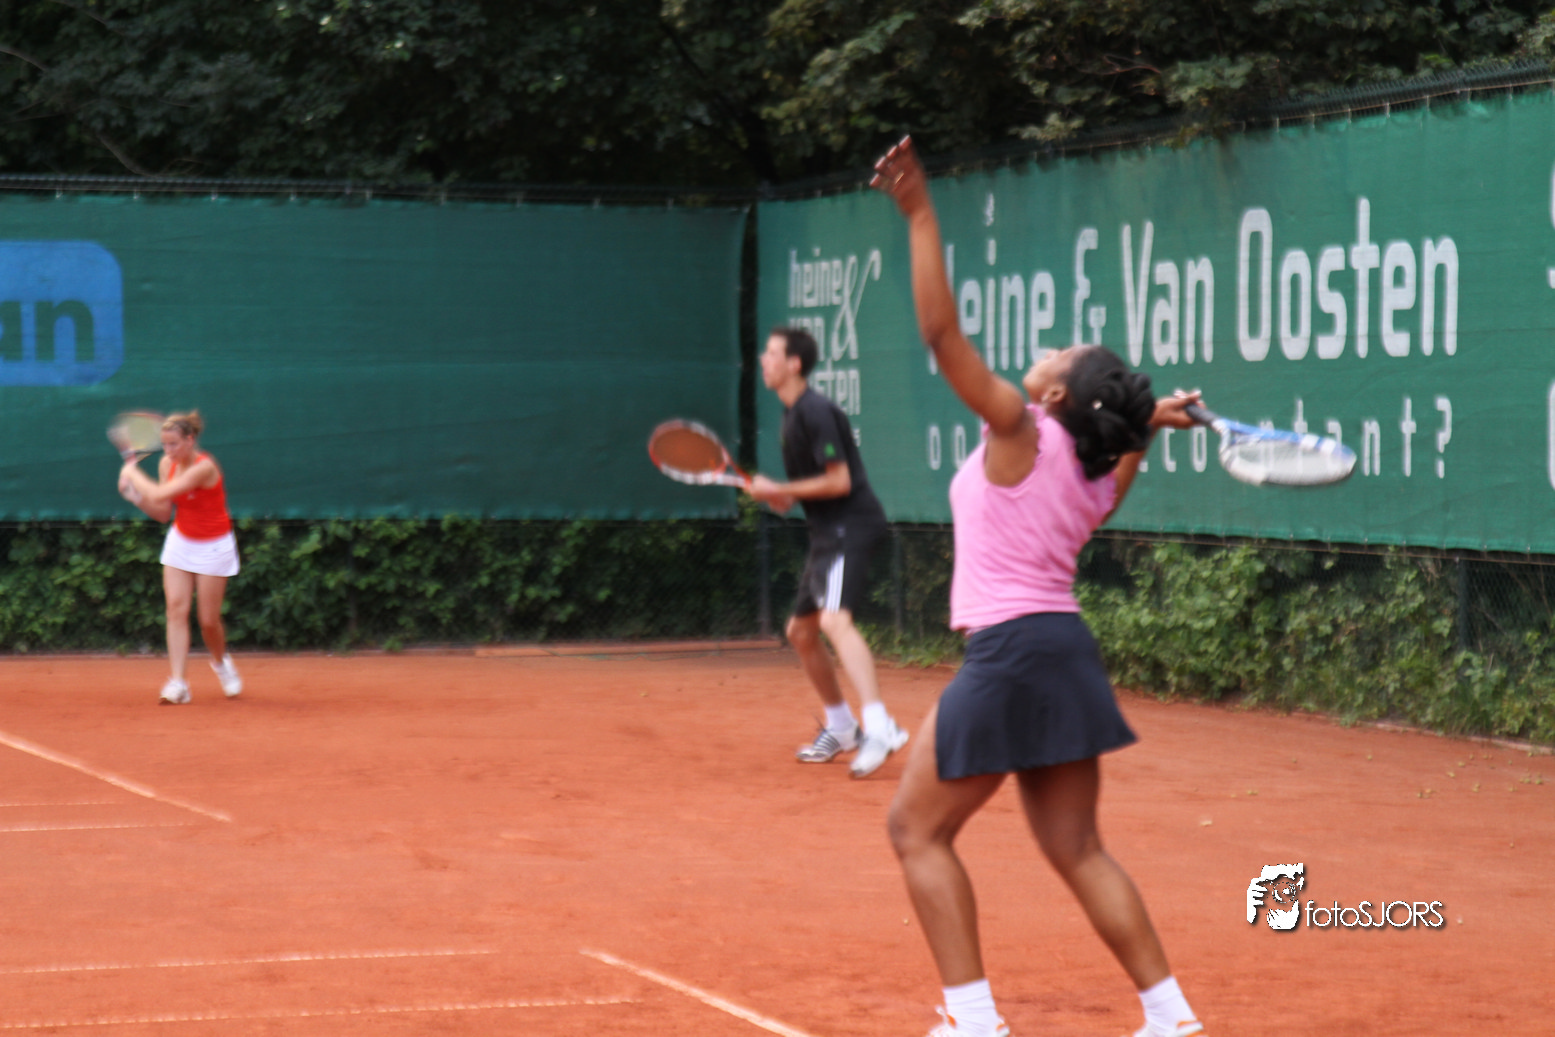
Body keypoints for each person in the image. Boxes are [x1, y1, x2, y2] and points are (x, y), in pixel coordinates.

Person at [871, 136, 1207, 1037]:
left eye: (1061, 352)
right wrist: (1148, 421)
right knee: (1077, 846)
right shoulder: (1100, 474)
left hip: (1012, 649)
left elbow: (941, 338)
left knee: (915, 829)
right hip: (1063, 652)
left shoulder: (1018, 429)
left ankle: (973, 1020)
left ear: (1056, 397)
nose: (1048, 348)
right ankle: (1169, 1016)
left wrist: (919, 214)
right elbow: (1122, 442)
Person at [746, 327, 910, 779]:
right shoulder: (791, 416)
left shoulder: (816, 411)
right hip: (826, 533)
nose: (763, 359)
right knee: (801, 632)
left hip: (849, 527)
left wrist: (782, 487)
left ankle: (881, 727)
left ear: (794, 363)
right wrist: (781, 496)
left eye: (772, 353)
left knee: (835, 621)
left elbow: (839, 481)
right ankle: (841, 727)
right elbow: (807, 490)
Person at [118, 411, 243, 705]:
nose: (168, 450)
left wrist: (131, 471)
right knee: (175, 609)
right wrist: (136, 497)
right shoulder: (166, 464)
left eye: (174, 444)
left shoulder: (204, 467)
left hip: (214, 546)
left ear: (190, 439)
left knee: (208, 621)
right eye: (164, 444)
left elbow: (161, 493)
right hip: (181, 541)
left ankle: (221, 663)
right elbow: (163, 512)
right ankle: (179, 683)